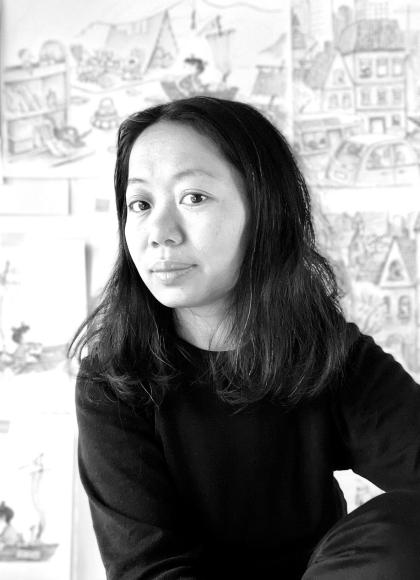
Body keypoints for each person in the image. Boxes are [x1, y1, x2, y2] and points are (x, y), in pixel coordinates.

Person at [71, 96, 420, 579]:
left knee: (403, 524)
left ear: (264, 209)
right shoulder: (114, 381)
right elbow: (149, 569)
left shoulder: (331, 356)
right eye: (141, 204)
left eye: (194, 197)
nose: (159, 232)